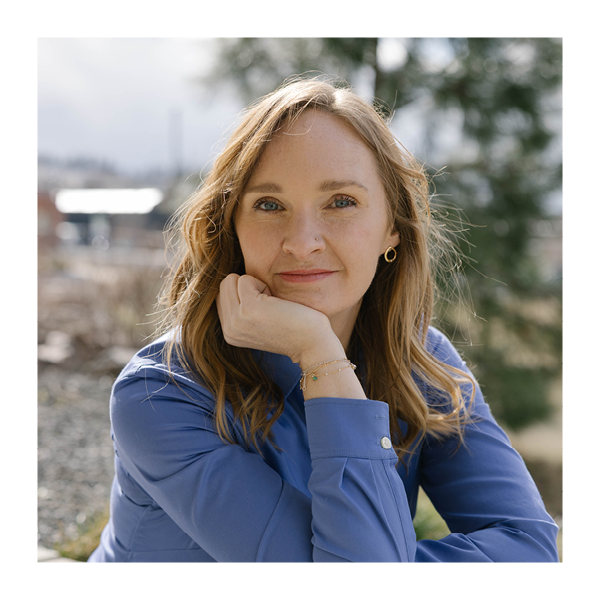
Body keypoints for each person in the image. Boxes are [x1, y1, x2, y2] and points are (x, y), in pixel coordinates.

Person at [88, 76, 559, 563]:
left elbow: (530, 550)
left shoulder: (420, 359)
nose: (302, 242)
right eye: (269, 205)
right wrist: (320, 357)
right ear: (232, 228)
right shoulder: (161, 395)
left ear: (392, 228)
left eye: (341, 202)